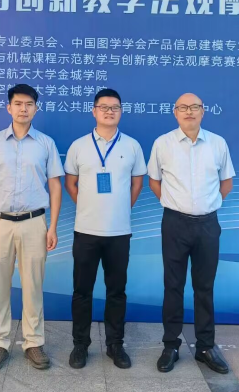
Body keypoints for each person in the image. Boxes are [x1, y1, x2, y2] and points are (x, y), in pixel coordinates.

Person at [0, 84, 64, 371]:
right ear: (9, 107)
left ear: (36, 108)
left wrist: (52, 226)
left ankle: (33, 342)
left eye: (29, 104)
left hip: (34, 223)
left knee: (33, 285)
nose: (24, 108)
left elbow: (55, 186)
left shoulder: (46, 144)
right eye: (18, 103)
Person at [147, 93, 235, 375]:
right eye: (183, 107)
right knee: (173, 286)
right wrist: (175, 205)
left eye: (194, 107)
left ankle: (205, 346)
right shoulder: (162, 143)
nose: (189, 112)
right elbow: (154, 181)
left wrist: (208, 206)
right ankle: (170, 345)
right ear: (175, 113)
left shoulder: (218, 143)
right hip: (174, 223)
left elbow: (226, 183)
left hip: (208, 225)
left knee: (204, 287)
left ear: (203, 112)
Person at [64, 88, 147, 370]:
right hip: (86, 230)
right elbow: (70, 183)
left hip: (118, 232)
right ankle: (80, 345)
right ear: (94, 111)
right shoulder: (79, 146)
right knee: (82, 291)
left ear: (121, 111)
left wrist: (121, 209)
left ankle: (115, 345)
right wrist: (88, 206)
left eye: (115, 107)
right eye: (104, 107)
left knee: (116, 291)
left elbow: (137, 183)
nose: (109, 112)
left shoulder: (132, 146)